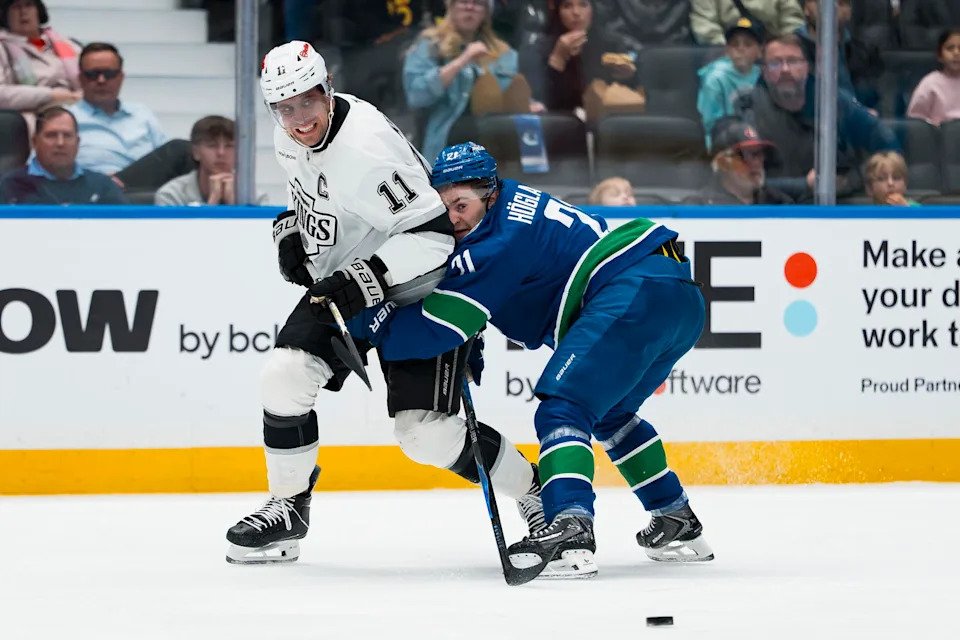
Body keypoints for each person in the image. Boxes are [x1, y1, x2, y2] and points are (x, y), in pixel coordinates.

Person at [225, 41, 543, 564]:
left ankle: (533, 490)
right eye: (284, 108)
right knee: (282, 376)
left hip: (422, 286)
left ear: (326, 89)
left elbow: (435, 237)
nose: (299, 119)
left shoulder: (365, 149)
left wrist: (364, 278)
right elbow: (305, 192)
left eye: (307, 101)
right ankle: (288, 509)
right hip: (350, 283)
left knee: (425, 435)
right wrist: (290, 234)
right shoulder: (290, 138)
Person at [376, 142, 715, 578]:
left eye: (462, 205)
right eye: (445, 209)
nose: (454, 219)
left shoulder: (497, 241)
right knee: (612, 413)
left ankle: (570, 531)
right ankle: (676, 520)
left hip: (630, 291)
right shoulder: (518, 203)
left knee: (563, 407)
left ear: (490, 194)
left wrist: (369, 325)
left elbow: (435, 327)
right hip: (675, 295)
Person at [734, 34, 900, 202]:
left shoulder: (834, 101)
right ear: (764, 71)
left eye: (793, 61)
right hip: (771, 210)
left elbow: (887, 145)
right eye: (775, 63)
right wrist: (804, 185)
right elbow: (740, 179)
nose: (785, 69)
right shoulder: (748, 108)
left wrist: (848, 181)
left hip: (835, 206)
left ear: (807, 67)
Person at [403, 0, 535, 161]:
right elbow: (417, 96)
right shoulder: (429, 45)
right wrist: (462, 60)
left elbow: (511, 91)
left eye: (478, 3)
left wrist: (529, 104)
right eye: (463, 1)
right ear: (450, 7)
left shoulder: (503, 52)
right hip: (448, 146)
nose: (470, 7)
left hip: (496, 143)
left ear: (486, 13)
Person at [69, 42, 193, 193]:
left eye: (109, 74)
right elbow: (43, 168)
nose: (101, 80)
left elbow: (165, 158)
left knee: (188, 151)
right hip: (93, 194)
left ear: (121, 77)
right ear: (80, 78)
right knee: (178, 148)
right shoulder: (67, 118)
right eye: (93, 74)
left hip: (145, 193)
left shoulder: (141, 113)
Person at [525, 0, 640, 114]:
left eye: (583, 5)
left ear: (593, 10)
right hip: (562, 122)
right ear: (558, 12)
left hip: (605, 119)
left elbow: (632, 97)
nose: (576, 12)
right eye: (567, 6)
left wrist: (627, 77)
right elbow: (541, 101)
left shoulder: (612, 44)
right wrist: (558, 58)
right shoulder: (541, 48)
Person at [0, 105, 126, 204]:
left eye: (67, 135)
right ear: (35, 142)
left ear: (77, 143)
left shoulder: (102, 186)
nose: (60, 143)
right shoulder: (8, 186)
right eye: (51, 135)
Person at [0, 0, 81, 130]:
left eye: (29, 5)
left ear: (39, 10)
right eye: (16, 7)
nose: (23, 12)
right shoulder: (3, 47)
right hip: (30, 114)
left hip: (74, 107)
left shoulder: (60, 43)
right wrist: (50, 95)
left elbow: (90, 78)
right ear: (5, 15)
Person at [154, 115, 266, 206]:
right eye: (212, 145)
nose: (221, 153)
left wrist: (235, 206)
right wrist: (213, 201)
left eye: (229, 146)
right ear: (196, 152)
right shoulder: (171, 195)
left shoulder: (255, 197)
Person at [795, 0, 882, 109]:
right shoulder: (789, 50)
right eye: (821, 2)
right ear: (806, 8)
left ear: (849, 12)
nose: (831, 9)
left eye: (840, 3)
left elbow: (874, 98)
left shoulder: (864, 53)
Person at [697, 16, 763, 148]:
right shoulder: (715, 79)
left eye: (748, 44)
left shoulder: (763, 75)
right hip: (726, 143)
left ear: (760, 51)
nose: (741, 49)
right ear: (727, 50)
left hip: (760, 139)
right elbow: (709, 125)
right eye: (735, 44)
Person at [694, 117, 793, 204]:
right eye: (744, 155)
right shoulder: (699, 208)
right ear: (723, 163)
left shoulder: (779, 203)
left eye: (760, 154)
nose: (757, 162)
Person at [906, 28, 960, 126]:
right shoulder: (930, 83)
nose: (956, 53)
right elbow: (915, 122)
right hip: (939, 139)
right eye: (950, 48)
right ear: (940, 55)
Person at [690, 0, 803, 46]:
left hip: (773, 52)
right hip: (728, 55)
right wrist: (735, 50)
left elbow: (792, 20)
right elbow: (706, 27)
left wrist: (779, 49)